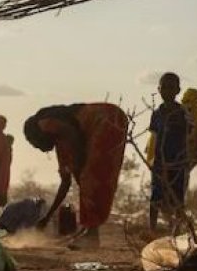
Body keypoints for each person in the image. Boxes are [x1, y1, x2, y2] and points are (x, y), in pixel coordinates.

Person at [24, 103, 128, 249]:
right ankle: (89, 230)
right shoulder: (61, 144)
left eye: (34, 142)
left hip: (107, 118)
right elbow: (65, 183)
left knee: (91, 176)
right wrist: (47, 217)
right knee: (88, 178)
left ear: (36, 133)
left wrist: (80, 161)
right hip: (108, 120)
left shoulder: (43, 123)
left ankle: (91, 234)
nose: (39, 148)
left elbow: (71, 132)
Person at [146, 73, 191, 231]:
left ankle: (177, 232)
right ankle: (152, 230)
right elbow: (154, 138)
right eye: (163, 87)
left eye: (171, 87)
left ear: (178, 90)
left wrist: (185, 159)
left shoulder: (182, 113)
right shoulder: (157, 114)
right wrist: (151, 160)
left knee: (177, 198)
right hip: (159, 162)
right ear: (158, 89)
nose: (167, 90)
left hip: (177, 162)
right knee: (156, 196)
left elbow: (187, 136)